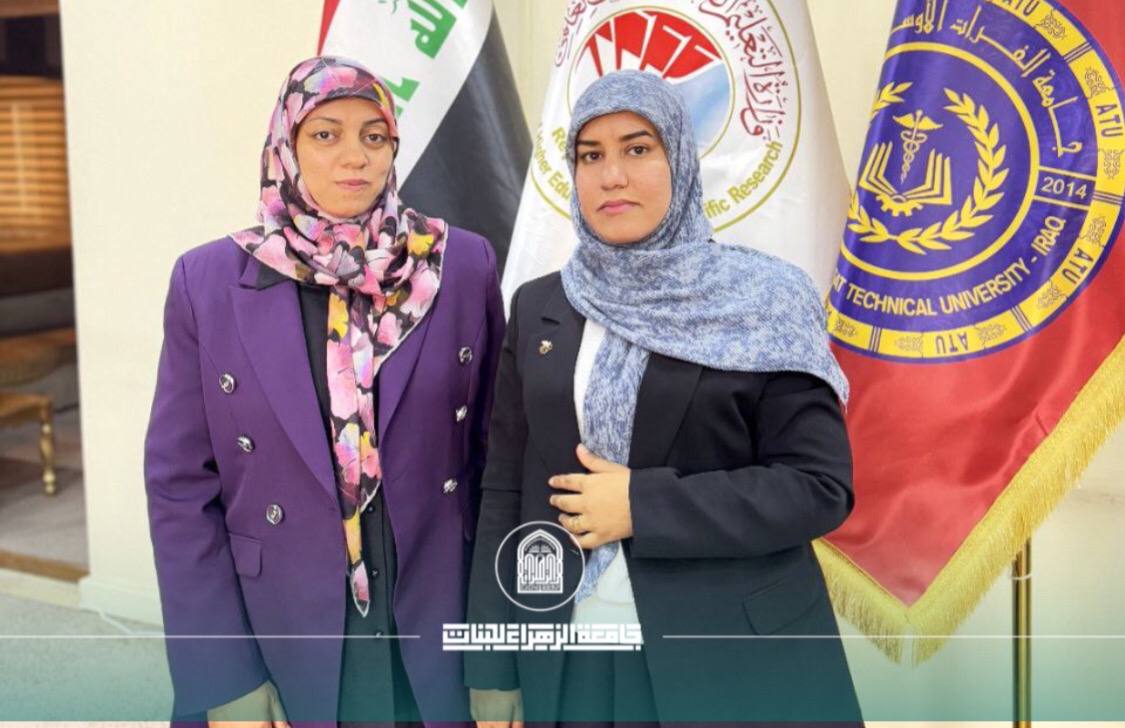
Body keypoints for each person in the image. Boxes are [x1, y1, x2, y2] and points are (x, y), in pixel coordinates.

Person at [464, 70, 863, 725]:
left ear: (679, 158)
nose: (612, 176)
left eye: (638, 148)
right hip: (571, 662)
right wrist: (493, 665)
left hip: (734, 662)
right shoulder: (540, 306)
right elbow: (505, 489)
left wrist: (641, 506)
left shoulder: (764, 300)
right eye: (590, 155)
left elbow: (816, 488)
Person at [144, 56, 504, 726]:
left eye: (374, 136)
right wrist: (221, 677)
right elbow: (179, 488)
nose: (354, 156)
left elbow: (497, 469)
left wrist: (499, 658)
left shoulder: (459, 265)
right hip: (279, 624)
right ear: (286, 144)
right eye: (325, 134)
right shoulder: (207, 281)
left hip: (435, 617)